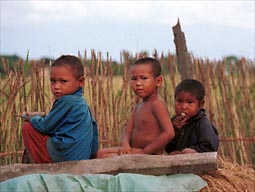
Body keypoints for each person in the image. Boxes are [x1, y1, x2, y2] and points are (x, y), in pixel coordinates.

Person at [21, 55, 98, 163]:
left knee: (28, 128)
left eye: (63, 81)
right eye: (53, 81)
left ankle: (40, 168)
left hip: (65, 157)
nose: (56, 86)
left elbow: (45, 126)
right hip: (80, 157)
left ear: (81, 82)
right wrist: (92, 155)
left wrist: (32, 118)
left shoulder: (67, 100)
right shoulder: (81, 103)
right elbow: (94, 130)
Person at [96, 57, 175, 158]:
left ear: (158, 81)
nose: (138, 83)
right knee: (99, 154)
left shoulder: (157, 104)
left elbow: (169, 133)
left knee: (103, 157)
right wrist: (125, 145)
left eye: (144, 78)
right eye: (134, 79)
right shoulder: (138, 106)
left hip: (150, 154)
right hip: (133, 151)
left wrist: (147, 150)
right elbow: (127, 131)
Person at [165, 79, 219, 155]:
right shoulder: (174, 121)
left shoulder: (202, 123)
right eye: (179, 101)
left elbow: (211, 147)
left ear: (201, 105)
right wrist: (175, 130)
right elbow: (168, 147)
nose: (183, 106)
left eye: (190, 102)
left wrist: (194, 151)